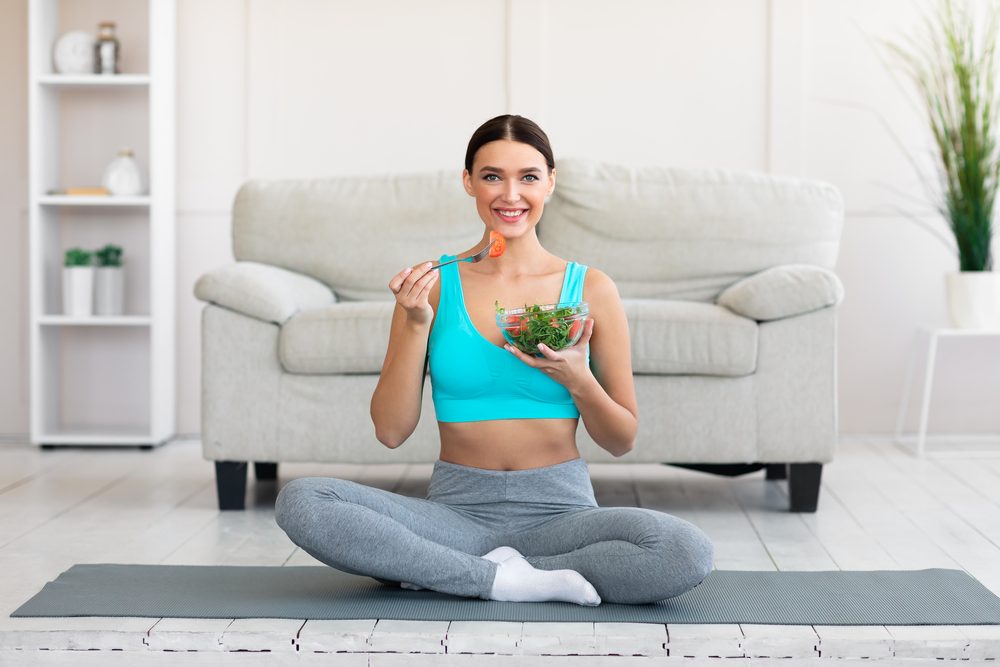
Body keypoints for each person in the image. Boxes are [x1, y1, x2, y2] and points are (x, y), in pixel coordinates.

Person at [274, 114, 713, 605]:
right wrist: (416, 324)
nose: (510, 195)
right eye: (491, 177)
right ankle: (507, 581)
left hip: (562, 516)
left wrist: (579, 380)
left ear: (550, 181)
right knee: (304, 500)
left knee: (684, 550)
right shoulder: (433, 286)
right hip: (454, 515)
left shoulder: (592, 288)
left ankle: (461, 575)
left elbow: (621, 440)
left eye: (528, 176)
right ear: (468, 182)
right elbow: (391, 432)